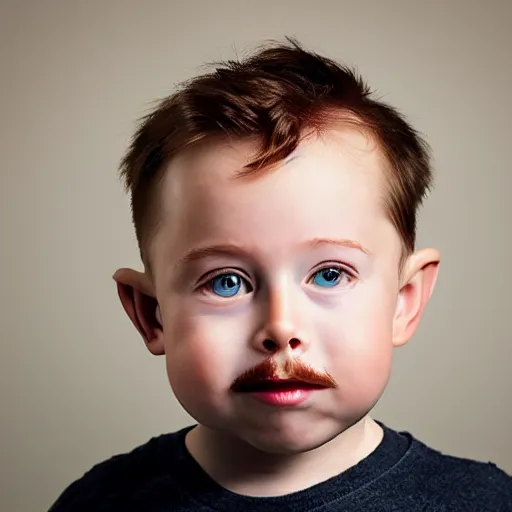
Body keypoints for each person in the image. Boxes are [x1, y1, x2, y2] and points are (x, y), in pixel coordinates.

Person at [50, 38, 512, 511]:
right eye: (225, 281)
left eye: (330, 274)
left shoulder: (482, 502)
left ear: (404, 300)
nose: (281, 328)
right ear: (152, 315)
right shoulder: (100, 502)